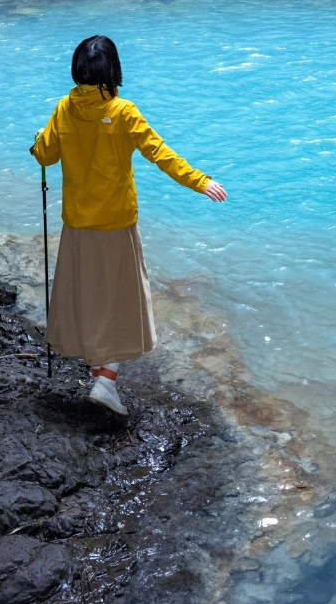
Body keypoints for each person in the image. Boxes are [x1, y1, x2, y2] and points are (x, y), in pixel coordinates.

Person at [31, 34, 227, 415]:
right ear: (113, 70)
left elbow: (46, 154)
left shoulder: (63, 109)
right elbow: (160, 153)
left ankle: (96, 366)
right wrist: (199, 181)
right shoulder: (123, 112)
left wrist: (39, 139)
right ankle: (106, 381)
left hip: (77, 224)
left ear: (78, 70)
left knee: (86, 294)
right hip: (116, 224)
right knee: (120, 302)